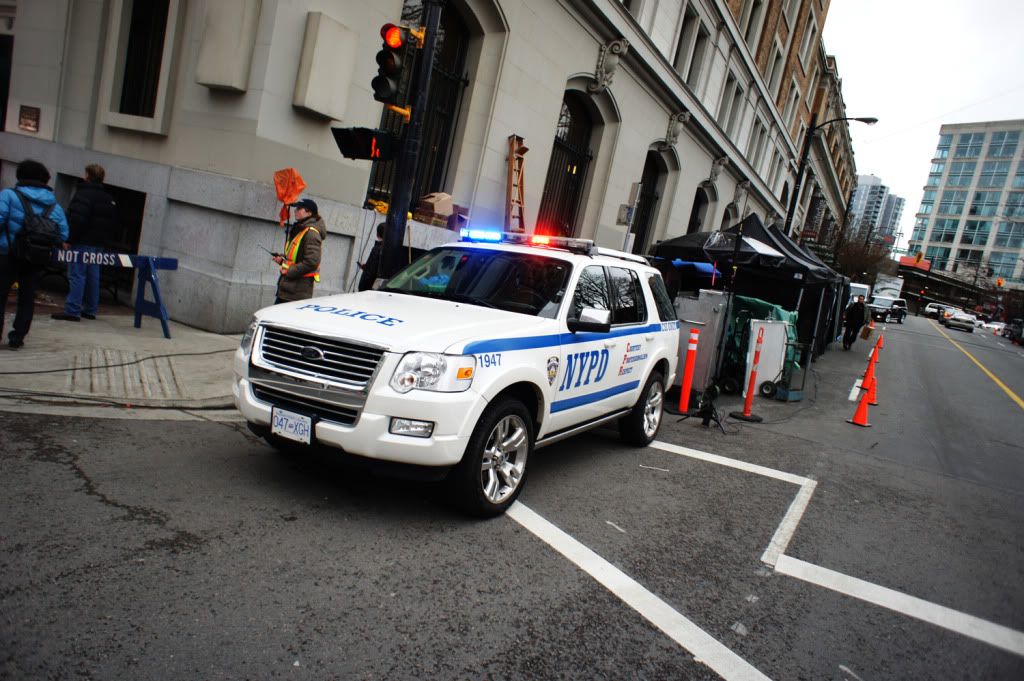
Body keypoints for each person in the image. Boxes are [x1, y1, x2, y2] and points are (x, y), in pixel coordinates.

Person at [0, 159, 70, 349]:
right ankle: (17, 337)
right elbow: (63, 234)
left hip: (8, 254)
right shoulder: (54, 207)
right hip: (36, 257)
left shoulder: (9, 195)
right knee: (27, 297)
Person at [52, 164, 117, 322]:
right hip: (98, 243)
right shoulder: (108, 198)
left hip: (83, 241)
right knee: (93, 275)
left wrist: (69, 239)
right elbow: (112, 223)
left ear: (87, 176)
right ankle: (90, 309)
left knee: (77, 275)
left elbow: (77, 220)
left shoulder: (83, 194)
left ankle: (73, 310)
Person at [274, 198, 325, 304]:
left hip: (296, 293)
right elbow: (296, 257)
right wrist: (283, 259)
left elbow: (311, 262)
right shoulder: (301, 229)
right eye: (296, 208)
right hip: (289, 290)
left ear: (309, 213)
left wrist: (289, 271)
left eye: (299, 208)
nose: (295, 210)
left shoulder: (311, 233)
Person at [357, 222, 385, 291]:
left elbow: (370, 271)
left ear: (377, 234)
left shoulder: (377, 249)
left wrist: (362, 287)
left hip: (370, 288)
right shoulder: (391, 248)